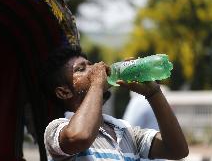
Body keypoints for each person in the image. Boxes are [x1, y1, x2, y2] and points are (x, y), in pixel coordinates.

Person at [42, 45, 189, 161]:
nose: (94, 69)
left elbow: (177, 150)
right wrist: (97, 84)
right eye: (81, 69)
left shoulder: (125, 131)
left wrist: (154, 93)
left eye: (91, 64)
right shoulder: (57, 129)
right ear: (64, 92)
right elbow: (80, 136)